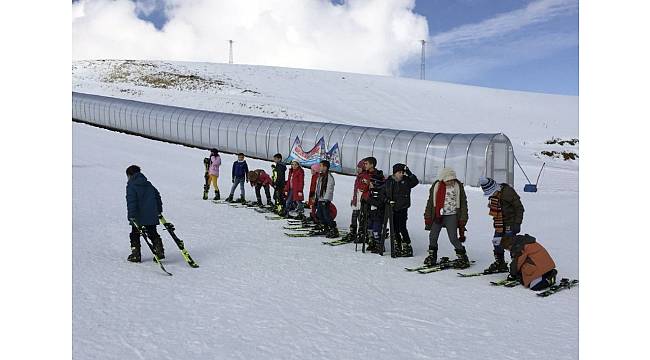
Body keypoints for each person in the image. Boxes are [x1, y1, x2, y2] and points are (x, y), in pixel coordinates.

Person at [423, 167, 470, 268]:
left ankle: (462, 257)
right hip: (438, 215)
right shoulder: (437, 186)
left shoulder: (458, 186)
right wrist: (427, 216)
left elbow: (463, 203)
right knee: (433, 236)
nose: (451, 182)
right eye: (448, 180)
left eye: (452, 179)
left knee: (453, 238)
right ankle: (432, 256)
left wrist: (463, 217)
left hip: (452, 215)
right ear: (443, 179)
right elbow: (430, 202)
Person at [479, 176, 525, 273]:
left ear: (496, 188)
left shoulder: (508, 192)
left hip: (511, 222)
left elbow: (519, 208)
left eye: (492, 193)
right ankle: (500, 264)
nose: (491, 195)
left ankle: (517, 266)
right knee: (496, 242)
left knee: (510, 244)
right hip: (500, 224)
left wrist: (517, 224)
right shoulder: (494, 196)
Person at [125, 165, 164, 263]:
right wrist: (158, 210)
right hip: (151, 214)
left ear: (129, 175)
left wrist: (131, 216)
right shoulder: (148, 184)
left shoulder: (131, 185)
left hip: (138, 216)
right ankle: (159, 250)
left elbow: (131, 202)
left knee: (135, 234)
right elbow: (157, 196)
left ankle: (136, 254)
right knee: (152, 233)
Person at [382, 163, 419, 257]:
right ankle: (397, 245)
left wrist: (408, 172)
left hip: (403, 208)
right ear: (394, 173)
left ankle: (407, 245)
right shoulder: (389, 181)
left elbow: (415, 181)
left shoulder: (406, 181)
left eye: (402, 172)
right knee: (394, 229)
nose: (401, 174)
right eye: (399, 172)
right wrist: (387, 200)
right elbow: (383, 193)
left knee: (402, 227)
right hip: (392, 209)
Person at [358, 157, 386, 253]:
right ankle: (371, 242)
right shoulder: (364, 174)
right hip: (366, 201)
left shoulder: (378, 175)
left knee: (376, 224)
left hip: (375, 202)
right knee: (368, 223)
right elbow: (361, 187)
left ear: (372, 165)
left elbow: (381, 186)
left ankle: (379, 243)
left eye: (366, 163)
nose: (364, 165)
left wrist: (372, 185)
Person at [314, 160, 339, 238]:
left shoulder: (329, 177)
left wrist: (326, 199)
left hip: (325, 199)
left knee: (326, 215)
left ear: (325, 167)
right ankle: (325, 227)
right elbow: (318, 188)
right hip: (320, 198)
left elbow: (329, 189)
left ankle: (333, 228)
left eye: (321, 165)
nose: (319, 167)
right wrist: (316, 197)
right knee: (319, 214)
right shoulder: (321, 176)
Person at [345, 160, 367, 243]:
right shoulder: (358, 177)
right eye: (357, 168)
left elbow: (362, 190)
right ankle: (353, 231)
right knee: (354, 217)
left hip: (361, 201)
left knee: (361, 218)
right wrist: (353, 199)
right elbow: (355, 190)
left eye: (360, 168)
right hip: (356, 201)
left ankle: (362, 233)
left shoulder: (364, 177)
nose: (358, 169)